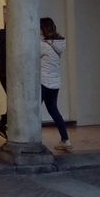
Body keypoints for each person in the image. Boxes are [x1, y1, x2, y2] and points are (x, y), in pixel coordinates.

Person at [40, 16, 71, 151]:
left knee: (34, 111)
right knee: (54, 110)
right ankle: (66, 140)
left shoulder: (43, 45)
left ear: (43, 29)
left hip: (43, 82)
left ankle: (33, 139)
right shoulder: (59, 43)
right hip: (55, 83)